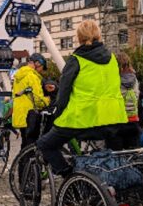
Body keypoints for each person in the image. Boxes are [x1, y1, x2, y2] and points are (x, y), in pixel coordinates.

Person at [37, 20, 128, 176]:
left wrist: (58, 113)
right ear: (99, 35)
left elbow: (64, 92)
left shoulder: (76, 60)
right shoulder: (113, 59)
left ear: (78, 37)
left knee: (45, 144)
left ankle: (70, 178)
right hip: (114, 118)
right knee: (114, 156)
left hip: (83, 118)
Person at [12, 53, 49, 149]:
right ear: (37, 63)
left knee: (25, 144)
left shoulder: (19, 75)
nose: (41, 71)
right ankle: (25, 163)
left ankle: (21, 163)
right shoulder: (32, 76)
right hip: (30, 115)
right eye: (42, 67)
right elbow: (37, 99)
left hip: (21, 115)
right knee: (31, 146)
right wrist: (48, 100)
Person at [116, 51, 141, 149]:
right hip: (133, 120)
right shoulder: (134, 79)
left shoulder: (115, 80)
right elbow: (137, 97)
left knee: (118, 157)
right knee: (133, 155)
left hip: (118, 121)